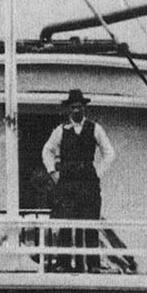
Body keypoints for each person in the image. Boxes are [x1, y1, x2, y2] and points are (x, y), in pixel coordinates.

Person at [41, 89, 116, 270]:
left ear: (84, 108)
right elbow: (47, 151)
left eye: (79, 107)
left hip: (88, 183)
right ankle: (64, 264)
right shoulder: (60, 130)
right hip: (67, 183)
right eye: (73, 107)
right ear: (69, 109)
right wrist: (53, 172)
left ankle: (93, 265)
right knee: (66, 223)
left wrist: (97, 172)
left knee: (90, 223)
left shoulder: (95, 128)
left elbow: (109, 152)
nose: (76, 110)